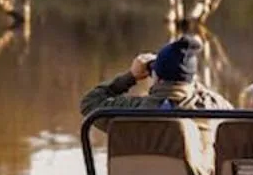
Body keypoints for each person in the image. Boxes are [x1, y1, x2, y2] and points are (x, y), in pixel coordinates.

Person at [80, 35, 230, 119]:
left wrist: (131, 76)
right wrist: (189, 80)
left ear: (155, 75)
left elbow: (89, 102)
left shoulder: (131, 112)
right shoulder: (212, 109)